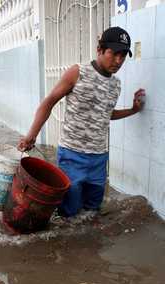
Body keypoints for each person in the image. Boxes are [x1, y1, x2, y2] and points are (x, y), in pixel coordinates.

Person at [17, 26, 145, 219]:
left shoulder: (115, 85)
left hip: (99, 158)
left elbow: (105, 114)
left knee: (92, 212)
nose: (118, 61)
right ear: (100, 50)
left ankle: (90, 247)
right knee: (69, 212)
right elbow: (48, 102)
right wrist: (31, 135)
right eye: (114, 54)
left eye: (123, 56)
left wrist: (134, 110)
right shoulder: (77, 73)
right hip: (72, 155)